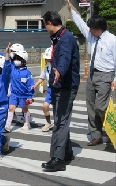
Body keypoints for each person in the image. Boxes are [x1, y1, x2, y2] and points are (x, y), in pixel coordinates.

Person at [65, 0, 116, 146]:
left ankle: (109, 129)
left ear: (99, 29)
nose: (89, 30)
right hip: (92, 75)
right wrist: (70, 9)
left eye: (92, 28)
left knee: (101, 106)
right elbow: (80, 24)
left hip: (106, 75)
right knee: (91, 105)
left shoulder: (112, 40)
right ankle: (96, 134)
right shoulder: (93, 36)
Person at [41, 11, 80, 171]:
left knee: (60, 122)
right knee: (61, 120)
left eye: (45, 24)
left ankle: (58, 159)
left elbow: (64, 58)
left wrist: (59, 71)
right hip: (58, 85)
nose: (45, 28)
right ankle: (67, 152)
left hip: (66, 85)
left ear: (50, 23)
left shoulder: (66, 38)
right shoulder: (59, 37)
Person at [5, 50, 34, 132]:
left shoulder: (27, 73)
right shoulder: (13, 68)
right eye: (15, 59)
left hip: (24, 95)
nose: (15, 61)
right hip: (14, 94)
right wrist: (7, 52)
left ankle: (27, 123)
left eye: (18, 59)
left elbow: (30, 86)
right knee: (11, 108)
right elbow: (7, 61)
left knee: (25, 109)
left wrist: (30, 96)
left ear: (24, 61)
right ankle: (7, 125)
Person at [31, 47, 54, 132]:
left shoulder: (58, 66)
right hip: (50, 89)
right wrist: (36, 85)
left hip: (58, 89)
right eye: (47, 59)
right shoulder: (47, 67)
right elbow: (42, 77)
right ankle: (48, 123)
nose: (48, 60)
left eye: (49, 59)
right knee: (45, 106)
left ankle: (59, 125)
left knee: (57, 109)